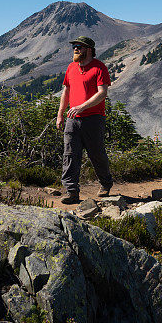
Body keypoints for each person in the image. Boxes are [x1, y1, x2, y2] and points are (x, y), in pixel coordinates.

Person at [56, 36, 113, 204]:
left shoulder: (99, 67)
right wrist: (60, 114)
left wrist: (82, 107)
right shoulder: (71, 67)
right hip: (72, 119)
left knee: (97, 154)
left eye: (79, 46)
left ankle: (105, 183)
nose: (75, 49)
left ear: (89, 49)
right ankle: (71, 191)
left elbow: (102, 93)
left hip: (94, 118)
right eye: (74, 46)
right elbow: (66, 92)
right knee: (70, 154)